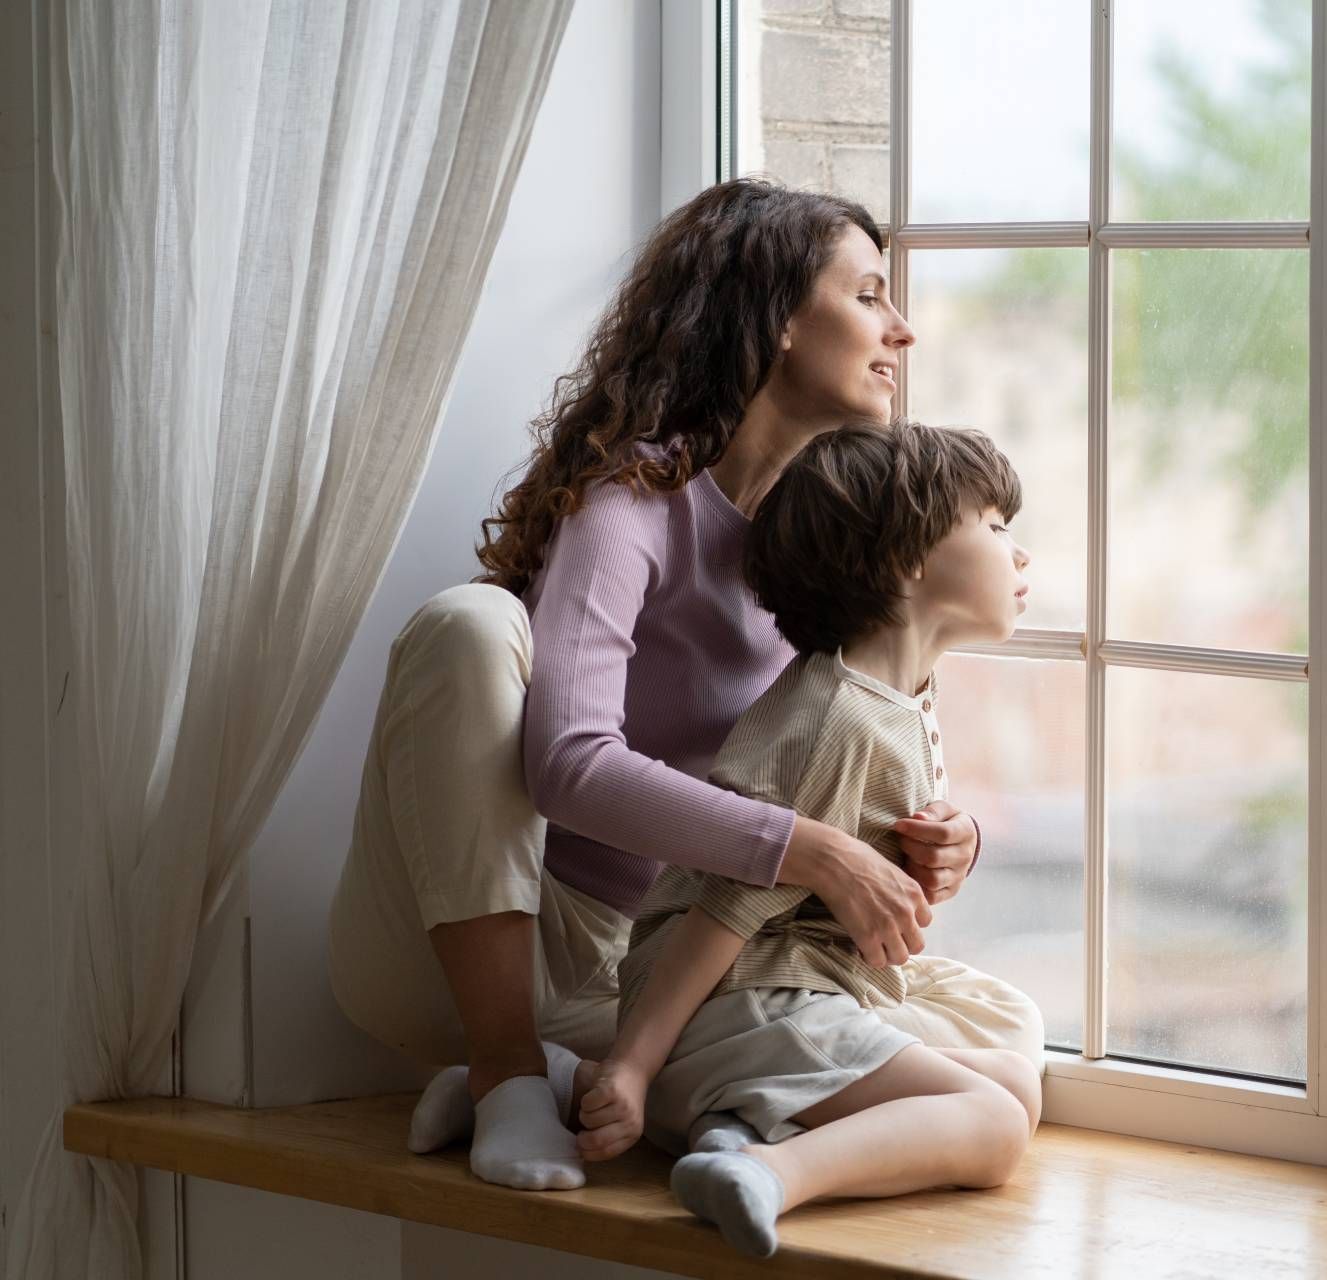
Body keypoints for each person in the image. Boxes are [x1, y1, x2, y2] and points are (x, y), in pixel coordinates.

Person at [326, 181, 1043, 1194]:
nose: (904, 328)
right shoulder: (634, 505)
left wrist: (929, 842)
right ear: (780, 321)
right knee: (469, 626)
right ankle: (505, 1068)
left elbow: (833, 759)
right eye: (871, 294)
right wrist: (815, 849)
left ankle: (614, 1086)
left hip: (666, 963)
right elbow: (570, 762)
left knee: (1008, 1028)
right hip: (505, 930)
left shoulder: (836, 551)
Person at [575, 423, 1040, 1258]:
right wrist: (634, 1066)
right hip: (743, 1002)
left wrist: (947, 837)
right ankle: (766, 1171)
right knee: (998, 1127)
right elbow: (724, 905)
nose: (1021, 554)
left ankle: (715, 1123)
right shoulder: (839, 717)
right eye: (997, 527)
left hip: (797, 996)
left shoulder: (892, 698)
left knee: (1015, 1080)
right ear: (907, 562)